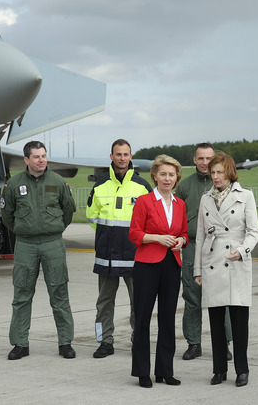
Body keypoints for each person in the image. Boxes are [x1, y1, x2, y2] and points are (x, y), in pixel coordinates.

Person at [1, 141, 77, 361]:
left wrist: (55, 229)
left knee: (59, 293)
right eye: (36, 157)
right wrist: (23, 231)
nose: (41, 160)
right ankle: (20, 343)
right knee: (22, 294)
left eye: (44, 156)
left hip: (53, 243)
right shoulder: (14, 185)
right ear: (26, 160)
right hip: (25, 245)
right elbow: (7, 215)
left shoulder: (58, 182)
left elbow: (68, 210)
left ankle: (65, 342)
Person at [194, 154, 258, 388]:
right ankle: (219, 369)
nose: (215, 177)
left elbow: (254, 232)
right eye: (212, 173)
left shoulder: (246, 196)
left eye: (220, 172)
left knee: (240, 322)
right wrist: (197, 270)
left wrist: (242, 251)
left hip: (237, 262)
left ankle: (242, 369)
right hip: (213, 260)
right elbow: (200, 236)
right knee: (216, 322)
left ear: (229, 172)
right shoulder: (205, 199)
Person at [86, 139, 152, 358]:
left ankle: (139, 339)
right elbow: (92, 216)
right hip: (107, 258)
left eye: (125, 154)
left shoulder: (142, 187)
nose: (122, 158)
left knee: (139, 303)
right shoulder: (99, 186)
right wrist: (109, 237)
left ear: (130, 156)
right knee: (104, 303)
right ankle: (104, 341)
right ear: (111, 156)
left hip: (136, 257)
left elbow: (151, 219)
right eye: (118, 154)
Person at [128, 155, 188, 388]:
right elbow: (134, 233)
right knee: (142, 318)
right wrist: (157, 238)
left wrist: (182, 241)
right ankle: (142, 371)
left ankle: (165, 370)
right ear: (154, 176)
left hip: (171, 265)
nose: (167, 178)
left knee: (167, 318)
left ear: (176, 178)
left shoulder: (179, 204)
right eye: (163, 174)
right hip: (147, 265)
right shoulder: (144, 201)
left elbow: (184, 232)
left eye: (171, 174)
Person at [175, 143, 232, 361]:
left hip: (219, 248)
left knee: (221, 298)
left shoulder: (225, 184)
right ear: (194, 160)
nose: (205, 163)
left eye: (209, 158)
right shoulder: (185, 186)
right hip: (191, 247)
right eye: (201, 158)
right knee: (191, 297)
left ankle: (223, 343)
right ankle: (193, 343)